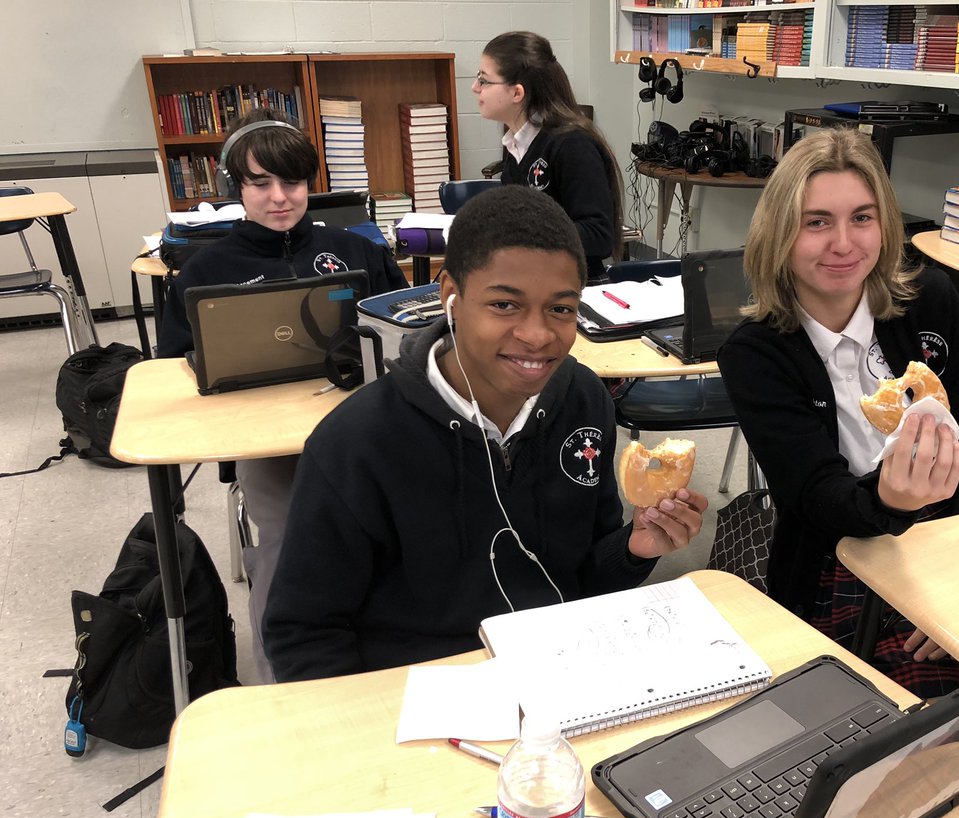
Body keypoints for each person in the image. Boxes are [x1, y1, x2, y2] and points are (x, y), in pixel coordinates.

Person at [262, 186, 708, 682]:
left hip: (563, 673)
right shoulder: (356, 442)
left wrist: (632, 548)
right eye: (504, 305)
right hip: (423, 693)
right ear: (451, 296)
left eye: (561, 309)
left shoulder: (584, 399)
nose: (537, 335)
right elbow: (303, 633)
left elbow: (584, 573)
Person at [717, 127, 959, 699]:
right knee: (935, 712)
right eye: (816, 222)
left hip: (953, 541)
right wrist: (890, 501)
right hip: (844, 556)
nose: (844, 244)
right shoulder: (756, 353)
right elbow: (816, 499)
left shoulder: (930, 301)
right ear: (780, 233)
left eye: (862, 217)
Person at [157, 109, 410, 683]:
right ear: (234, 188)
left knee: (404, 522)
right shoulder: (206, 268)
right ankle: (283, 681)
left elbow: (402, 324)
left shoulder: (356, 249)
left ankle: (392, 653)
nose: (280, 198)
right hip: (268, 443)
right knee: (284, 541)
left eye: (292, 183)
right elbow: (171, 368)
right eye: (260, 183)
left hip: (361, 426)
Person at [475, 31, 623, 285]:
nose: (476, 88)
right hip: (532, 281)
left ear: (517, 93)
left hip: (576, 289)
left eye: (484, 80)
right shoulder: (515, 141)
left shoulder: (572, 144)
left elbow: (598, 236)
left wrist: (524, 236)